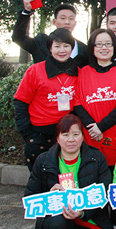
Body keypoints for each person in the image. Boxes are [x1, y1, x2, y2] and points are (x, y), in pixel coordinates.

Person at [15, 114, 116, 229]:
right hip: (58, 219)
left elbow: (106, 193)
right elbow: (30, 197)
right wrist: (49, 197)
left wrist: (83, 212)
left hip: (88, 218)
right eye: (65, 135)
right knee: (57, 223)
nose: (71, 139)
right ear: (57, 138)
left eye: (76, 134)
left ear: (83, 136)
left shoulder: (96, 157)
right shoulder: (44, 161)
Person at [14, 28, 79, 170]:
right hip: (39, 135)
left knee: (66, 176)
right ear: (50, 48)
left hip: (67, 134)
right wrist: (28, 134)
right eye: (57, 46)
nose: (62, 50)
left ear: (72, 48)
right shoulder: (35, 71)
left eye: (66, 46)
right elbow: (20, 102)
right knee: (41, 177)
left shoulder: (78, 72)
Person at [73, 28, 116, 170]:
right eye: (99, 44)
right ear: (92, 48)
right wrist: (92, 127)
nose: (104, 48)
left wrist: (101, 127)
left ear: (114, 47)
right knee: (93, 170)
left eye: (108, 44)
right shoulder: (83, 72)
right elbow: (77, 103)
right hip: (92, 132)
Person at [12, 0, 87, 67]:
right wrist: (26, 11)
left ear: (75, 23)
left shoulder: (83, 49)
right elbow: (18, 38)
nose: (67, 22)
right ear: (54, 22)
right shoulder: (41, 42)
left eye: (71, 18)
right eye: (63, 18)